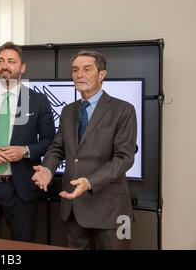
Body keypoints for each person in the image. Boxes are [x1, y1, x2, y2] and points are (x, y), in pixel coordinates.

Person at [32, 50, 137, 250]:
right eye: (75, 70)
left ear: (102, 75)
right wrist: (47, 169)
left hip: (110, 210)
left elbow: (124, 158)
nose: (79, 74)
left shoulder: (123, 110)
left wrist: (90, 182)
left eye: (86, 69)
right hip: (73, 208)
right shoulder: (68, 110)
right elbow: (57, 147)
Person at [0, 41, 55, 242]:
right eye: (1, 61)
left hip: (21, 188)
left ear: (22, 68)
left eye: (11, 61)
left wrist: (25, 151)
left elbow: (50, 140)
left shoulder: (38, 101)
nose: (5, 65)